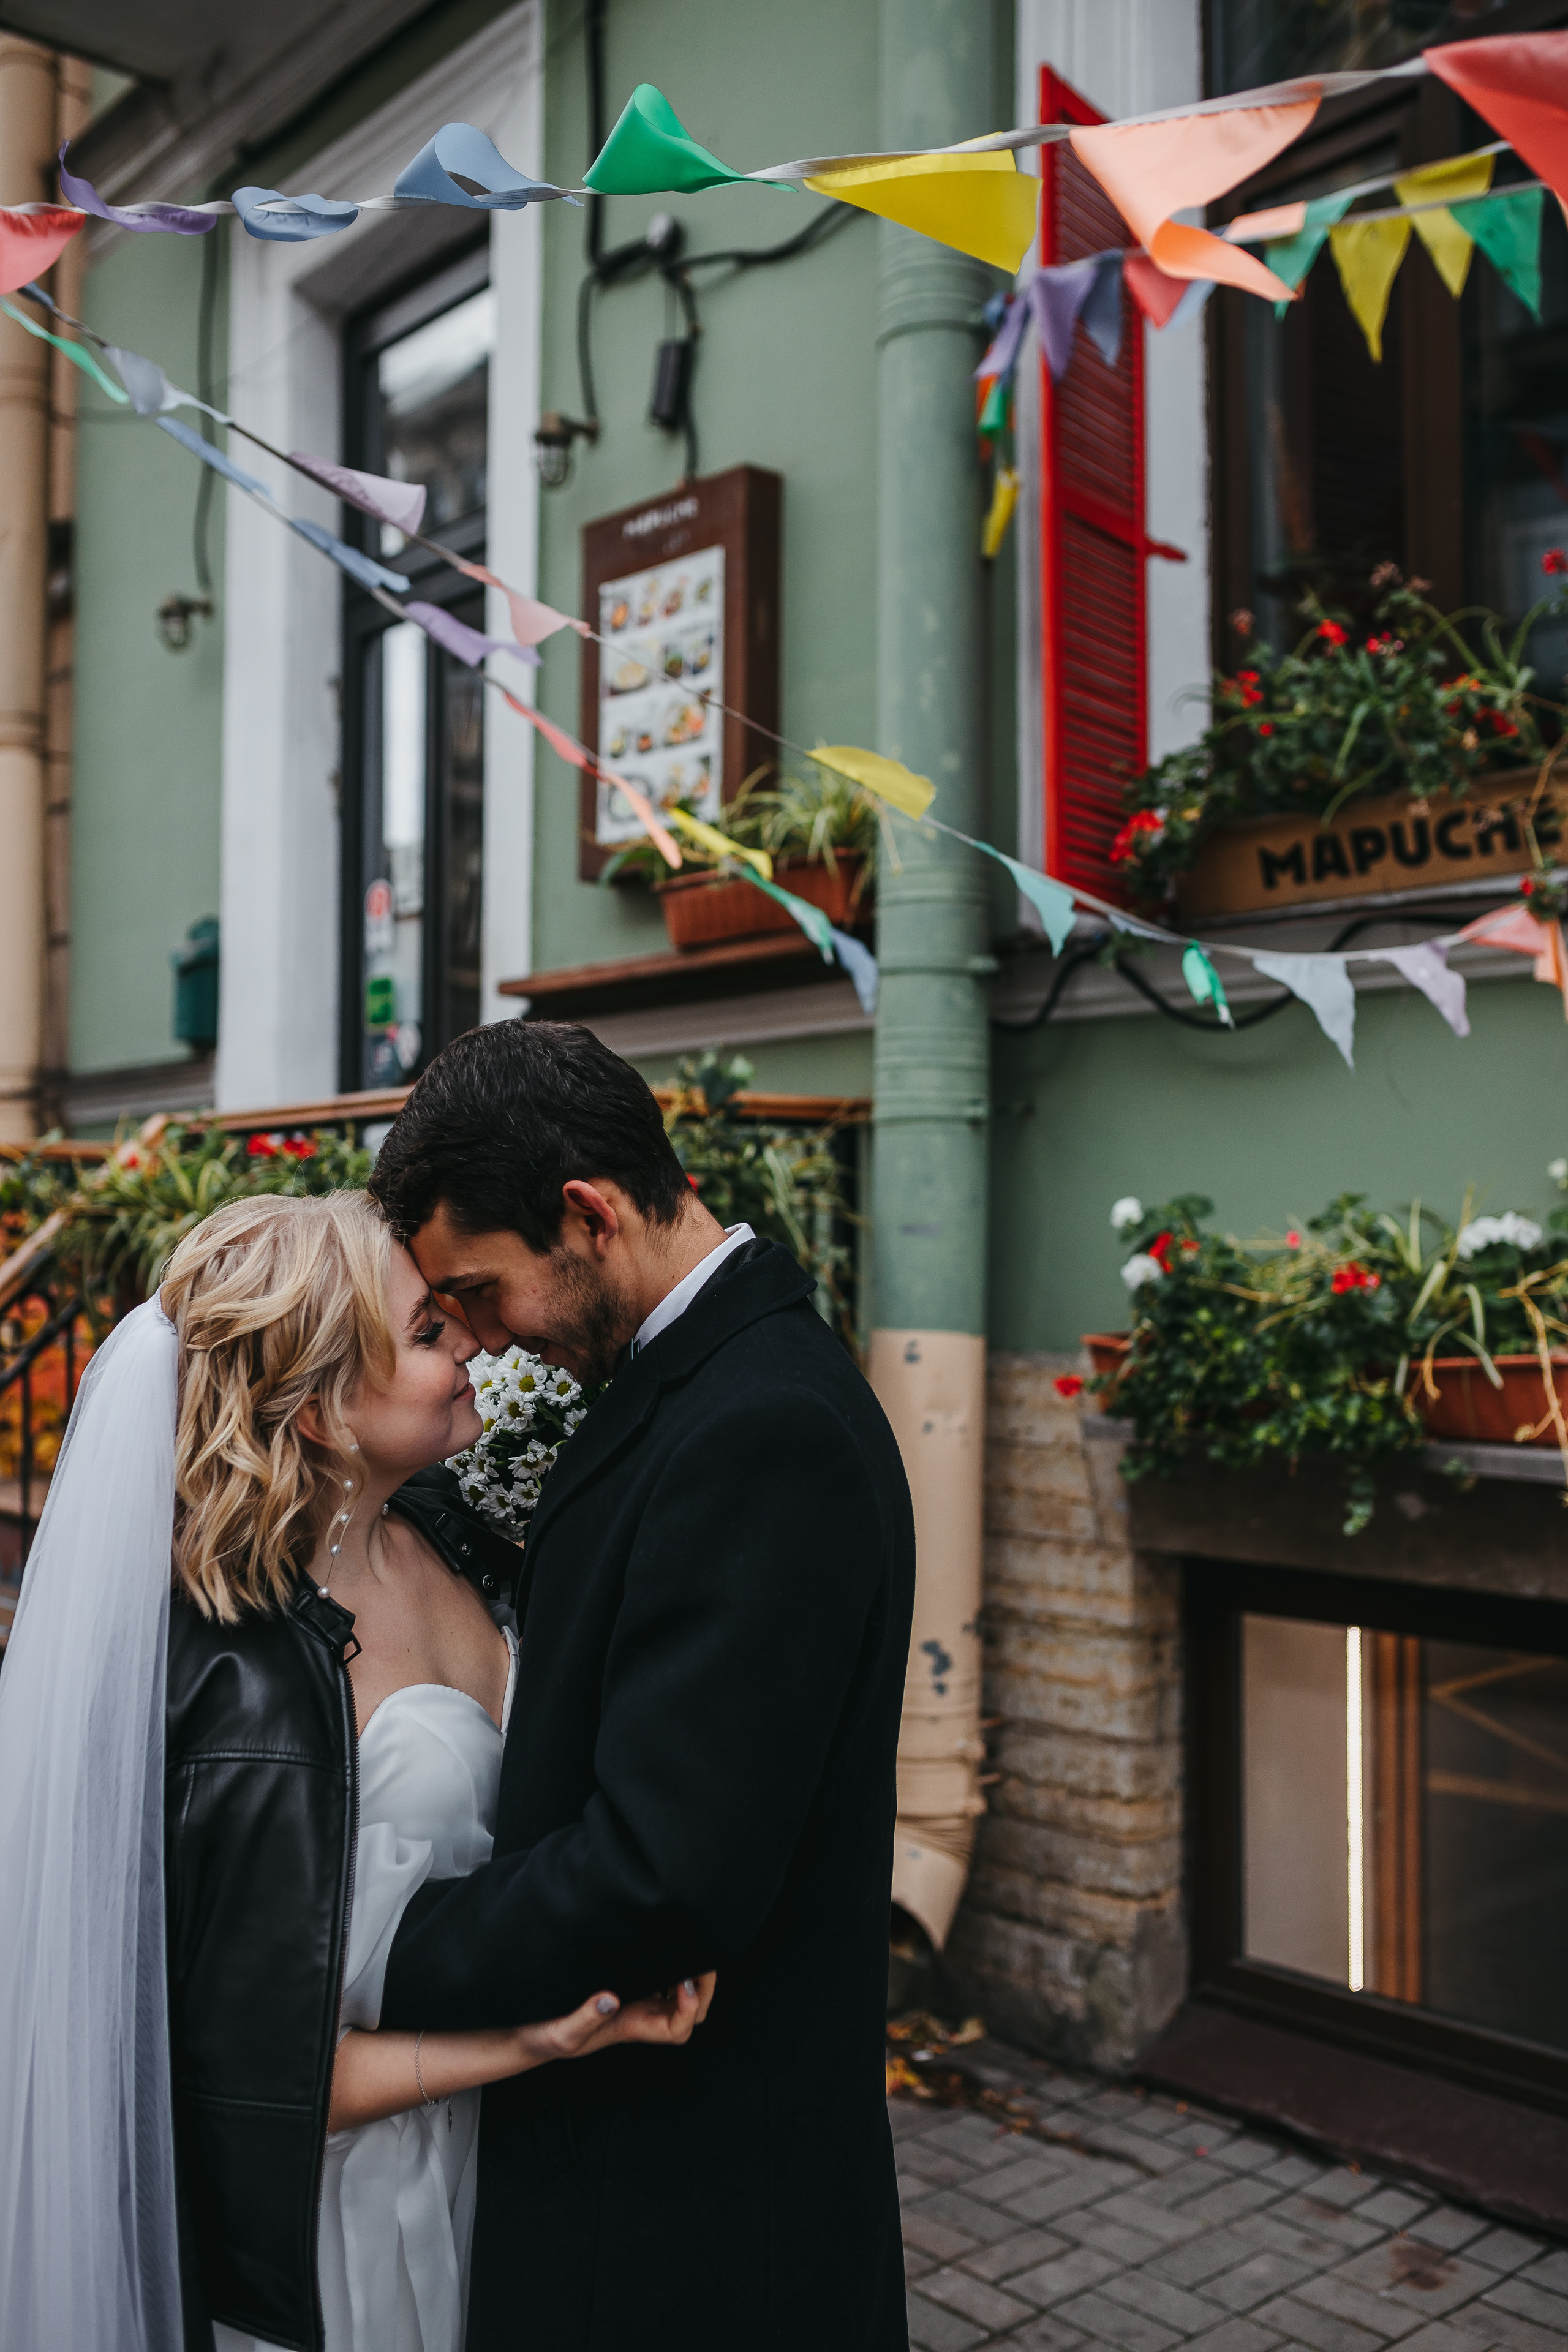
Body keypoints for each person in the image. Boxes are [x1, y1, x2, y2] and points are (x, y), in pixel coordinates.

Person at [0, 1190, 709, 2352]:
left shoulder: (455, 1535)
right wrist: (535, 2040)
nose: (476, 1342)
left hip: (515, 2158)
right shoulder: (238, 1684)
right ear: (324, 1408)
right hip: (357, 2220)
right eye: (430, 1334)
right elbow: (245, 2076)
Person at [368, 1019, 916, 2352]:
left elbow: (664, 1874)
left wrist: (371, 1953)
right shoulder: (695, 1378)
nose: (485, 1343)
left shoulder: (760, 1429)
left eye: (483, 1292)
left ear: (586, 1214)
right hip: (658, 2163)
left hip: (699, 2201)